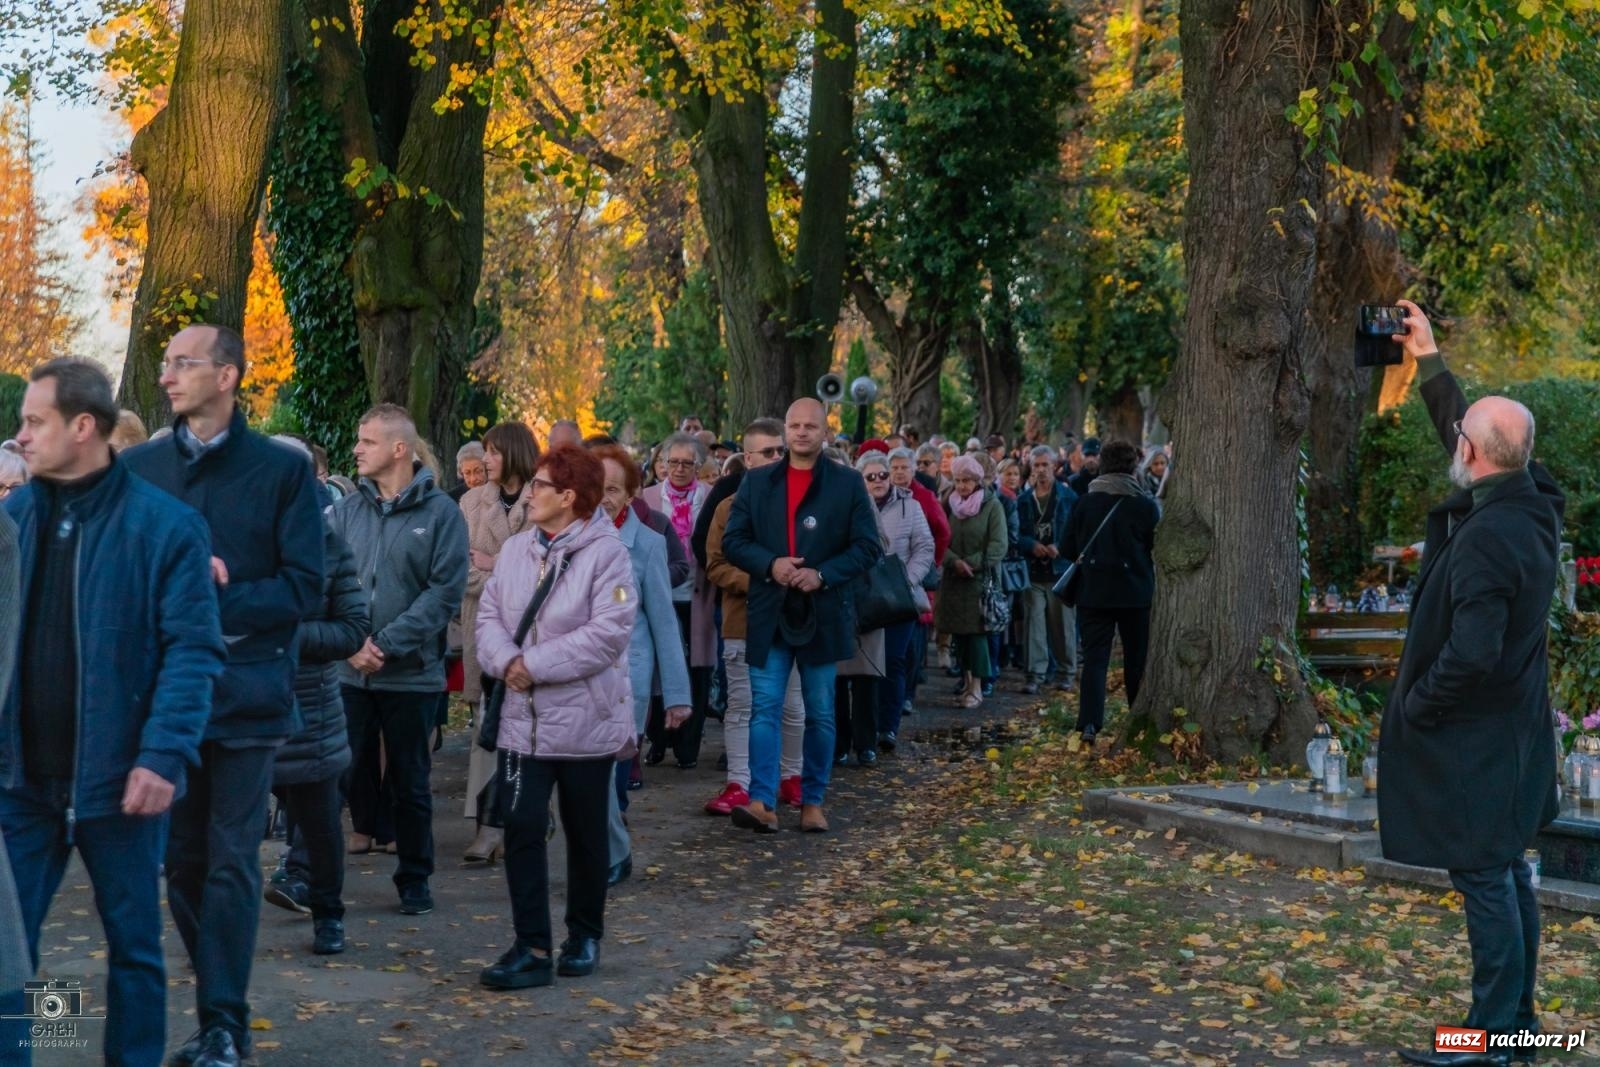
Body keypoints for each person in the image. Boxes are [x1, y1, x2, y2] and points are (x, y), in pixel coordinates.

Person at [0, 358, 226, 1067]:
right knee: (19, 951)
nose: (22, 436)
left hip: (124, 784)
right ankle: (30, 1055)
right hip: (22, 784)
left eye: (35, 421)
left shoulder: (165, 526)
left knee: (133, 949)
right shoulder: (12, 519)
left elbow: (194, 650)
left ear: (84, 426)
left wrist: (163, 754)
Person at [122, 325, 324, 1067]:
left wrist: (220, 592)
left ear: (229, 374)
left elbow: (306, 586)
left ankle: (225, 1024)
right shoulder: (139, 467)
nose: (169, 375)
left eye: (185, 363)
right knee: (181, 860)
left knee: (234, 859)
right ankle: (215, 1011)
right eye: (167, 363)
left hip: (247, 695)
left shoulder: (281, 470)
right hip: (163, 701)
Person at [1379, 301, 1563, 1067]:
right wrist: (1429, 359)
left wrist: (1419, 703)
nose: (1456, 443)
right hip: (1514, 732)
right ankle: (1513, 1032)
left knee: (1487, 877)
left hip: (1479, 741)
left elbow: (1471, 651)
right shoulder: (1535, 499)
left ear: (1478, 458)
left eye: (1462, 442)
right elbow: (1478, 429)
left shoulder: (1489, 538)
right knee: (1507, 870)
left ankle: (1489, 1043)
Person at [474, 446, 637, 990]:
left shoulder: (607, 554)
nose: (529, 493)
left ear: (568, 497)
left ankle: (584, 933)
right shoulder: (518, 548)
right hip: (523, 724)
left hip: (585, 723)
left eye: (540, 486)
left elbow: (608, 633)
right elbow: (491, 615)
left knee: (586, 833)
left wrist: (531, 665)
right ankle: (532, 946)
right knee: (519, 824)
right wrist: (505, 662)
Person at [331, 404, 469, 917]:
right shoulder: (346, 511)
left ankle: (415, 878)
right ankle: (315, 879)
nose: (356, 449)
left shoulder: (441, 515)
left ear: (399, 449)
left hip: (410, 675)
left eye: (366, 441)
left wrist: (384, 644)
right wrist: (350, 643)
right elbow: (328, 581)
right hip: (347, 671)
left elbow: (442, 593)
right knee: (335, 774)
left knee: (410, 782)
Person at [722, 398, 880, 833]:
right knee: (765, 708)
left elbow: (869, 546)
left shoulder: (847, 484)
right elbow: (733, 541)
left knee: (820, 711)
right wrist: (771, 564)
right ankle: (761, 801)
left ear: (825, 432)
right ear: (785, 431)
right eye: (795, 425)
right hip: (771, 608)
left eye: (811, 426)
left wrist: (823, 574)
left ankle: (812, 800)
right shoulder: (757, 483)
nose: (802, 433)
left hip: (824, 610)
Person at [263, 436, 368, 958]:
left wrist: (284, 634)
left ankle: (329, 914)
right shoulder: (234, 543)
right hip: (244, 708)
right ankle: (218, 931)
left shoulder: (328, 545)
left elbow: (351, 630)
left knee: (321, 826)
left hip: (310, 713)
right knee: (224, 835)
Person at [592, 444, 690, 885]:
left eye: (612, 488)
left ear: (633, 494)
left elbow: (666, 624)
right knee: (587, 777)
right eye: (596, 487)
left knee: (610, 774)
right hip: (577, 678)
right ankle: (606, 848)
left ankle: (610, 855)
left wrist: (677, 695)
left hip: (627, 676)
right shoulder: (570, 536)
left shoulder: (648, 545)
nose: (602, 496)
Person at [703, 420, 808, 815]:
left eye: (780, 451)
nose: (776, 458)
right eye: (767, 452)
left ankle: (790, 776)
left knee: (792, 705)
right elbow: (714, 564)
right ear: (746, 459)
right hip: (742, 621)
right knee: (744, 705)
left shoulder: (802, 505)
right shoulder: (727, 509)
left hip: (794, 620)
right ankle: (739, 783)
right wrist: (763, 579)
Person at [458, 422, 540, 864]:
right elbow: (460, 569)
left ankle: (520, 821)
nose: (484, 461)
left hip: (533, 634)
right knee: (484, 731)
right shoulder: (471, 502)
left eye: (492, 452)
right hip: (486, 631)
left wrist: (494, 564)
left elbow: (546, 574)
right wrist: (504, 570)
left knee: (526, 731)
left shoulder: (543, 497)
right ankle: (485, 825)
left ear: (512, 453)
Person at [1062, 439, 1159, 745]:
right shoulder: (1144, 506)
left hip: (1094, 591)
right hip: (1135, 592)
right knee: (1136, 659)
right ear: (1134, 467)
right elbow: (1155, 548)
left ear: (1102, 464)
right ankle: (1135, 718)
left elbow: (1066, 548)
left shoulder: (1085, 503)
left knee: (1095, 659)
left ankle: (1089, 722)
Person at [640, 432, 715, 768]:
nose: (680, 469)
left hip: (699, 596)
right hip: (659, 594)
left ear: (698, 467)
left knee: (696, 668)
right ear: (663, 465)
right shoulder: (648, 499)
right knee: (655, 666)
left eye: (688, 463)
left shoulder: (710, 498)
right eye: (674, 462)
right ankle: (657, 739)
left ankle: (688, 746)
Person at [857, 449, 934, 755]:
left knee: (894, 661)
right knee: (867, 668)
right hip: (865, 599)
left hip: (899, 598)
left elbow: (925, 547)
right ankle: (865, 729)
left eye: (883, 475)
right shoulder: (855, 508)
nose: (878, 481)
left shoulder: (911, 506)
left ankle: (888, 726)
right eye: (870, 476)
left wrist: (907, 580)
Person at [935, 455, 1008, 709]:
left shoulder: (992, 506)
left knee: (976, 637)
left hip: (980, 582)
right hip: (954, 581)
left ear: (978, 481)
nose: (962, 486)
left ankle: (977, 687)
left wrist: (972, 563)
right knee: (959, 636)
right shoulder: (949, 503)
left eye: (967, 481)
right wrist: (954, 560)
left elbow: (999, 545)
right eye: (957, 480)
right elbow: (939, 537)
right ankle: (966, 683)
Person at [888, 446, 949, 717]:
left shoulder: (923, 497)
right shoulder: (876, 496)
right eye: (895, 467)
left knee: (913, 640)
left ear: (913, 470)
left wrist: (930, 564)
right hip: (882, 583)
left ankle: (908, 694)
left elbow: (942, 532)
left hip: (914, 576)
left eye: (904, 467)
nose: (899, 472)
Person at [1016, 445, 1079, 695]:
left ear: (1055, 466)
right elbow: (1015, 535)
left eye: (1045, 464)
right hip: (1032, 571)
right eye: (1036, 465)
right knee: (1034, 626)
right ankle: (1034, 674)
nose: (1041, 470)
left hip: (1060, 572)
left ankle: (1066, 673)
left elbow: (1076, 533)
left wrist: (1059, 547)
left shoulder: (1068, 497)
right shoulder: (1023, 500)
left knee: (1063, 626)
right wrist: (1031, 545)